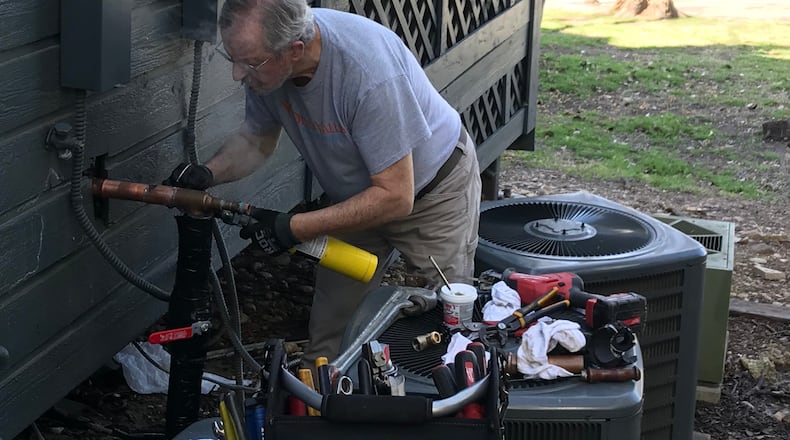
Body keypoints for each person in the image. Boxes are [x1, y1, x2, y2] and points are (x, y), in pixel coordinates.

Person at [165, 0, 482, 366]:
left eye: (249, 63)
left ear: (294, 51)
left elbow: (396, 196)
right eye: (231, 58)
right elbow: (256, 140)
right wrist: (207, 173)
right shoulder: (270, 63)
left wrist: (294, 227)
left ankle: (438, 408)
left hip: (433, 193)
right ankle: (324, 401)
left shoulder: (367, 74)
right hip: (357, 200)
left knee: (453, 322)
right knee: (331, 334)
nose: (238, 74)